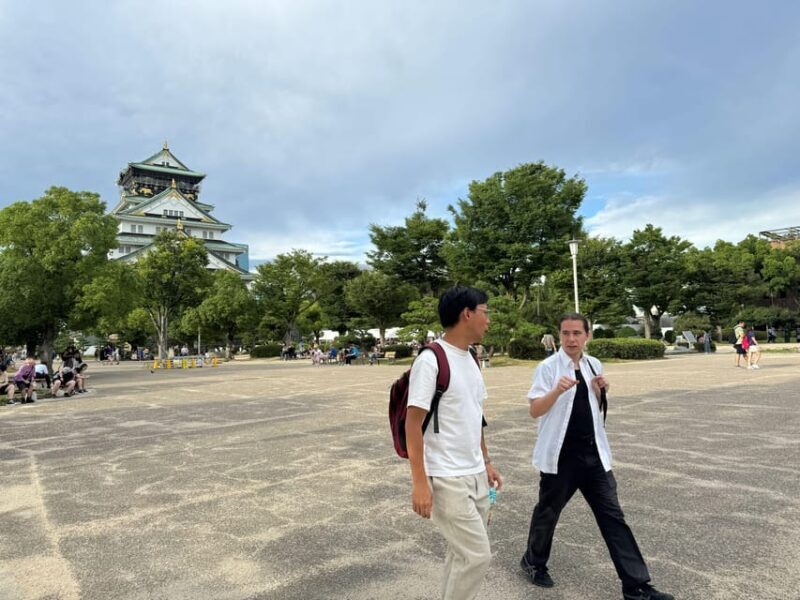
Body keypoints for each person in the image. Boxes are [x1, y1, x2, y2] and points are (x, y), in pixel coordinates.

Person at [520, 313, 673, 600]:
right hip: (561, 457)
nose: (571, 339)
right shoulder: (548, 368)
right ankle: (533, 561)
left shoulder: (593, 364)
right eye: (565, 333)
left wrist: (602, 391)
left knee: (613, 517)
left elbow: (595, 408)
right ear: (559, 335)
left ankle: (636, 586)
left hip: (593, 456)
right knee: (548, 513)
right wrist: (556, 390)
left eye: (577, 333)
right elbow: (535, 410)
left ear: (587, 335)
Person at [406, 286, 503, 600]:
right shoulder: (431, 360)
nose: (488, 319)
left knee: (460, 555)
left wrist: (486, 461)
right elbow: (413, 423)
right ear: (468, 313)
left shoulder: (472, 358)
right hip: (446, 477)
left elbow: (476, 416)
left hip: (474, 473)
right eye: (485, 311)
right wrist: (420, 482)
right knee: (477, 556)